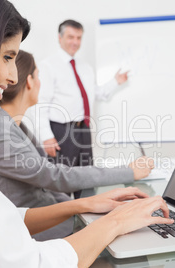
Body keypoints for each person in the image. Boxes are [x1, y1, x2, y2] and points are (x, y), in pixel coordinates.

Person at [0, 1, 173, 267]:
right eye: (8, 57)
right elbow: (25, 263)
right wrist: (115, 222)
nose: (13, 77)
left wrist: (83, 204)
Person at [0, 50, 155, 241]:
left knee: (133, 226)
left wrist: (82, 212)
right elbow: (53, 176)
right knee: (134, 235)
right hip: (39, 234)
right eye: (38, 75)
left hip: (57, 219)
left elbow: (50, 184)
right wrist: (127, 172)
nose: (40, 82)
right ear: (29, 81)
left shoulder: (15, 124)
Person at [35, 19, 129, 170]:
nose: (75, 42)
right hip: (61, 132)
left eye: (79, 38)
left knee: (86, 176)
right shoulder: (48, 66)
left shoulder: (85, 67)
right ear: (60, 38)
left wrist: (115, 81)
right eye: (70, 37)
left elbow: (94, 93)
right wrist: (46, 137)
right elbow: (41, 103)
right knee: (62, 180)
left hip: (83, 129)